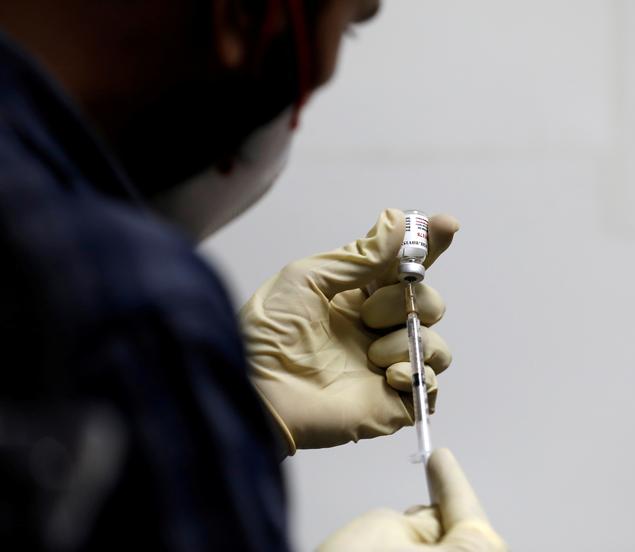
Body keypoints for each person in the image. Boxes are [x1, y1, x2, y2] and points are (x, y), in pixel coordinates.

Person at [0, 1, 505, 550]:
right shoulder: (127, 307)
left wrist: (231, 411)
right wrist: (175, 382)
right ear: (240, 17)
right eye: (351, 26)